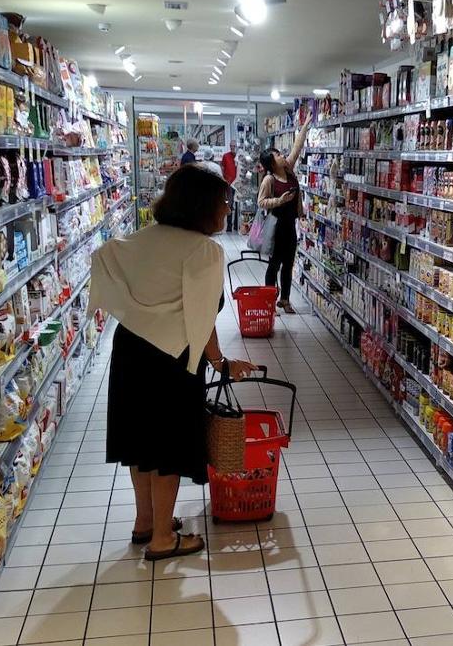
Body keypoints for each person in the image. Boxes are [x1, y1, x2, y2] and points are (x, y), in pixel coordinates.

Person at [89, 163, 257, 560]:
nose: (226, 209)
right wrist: (219, 362)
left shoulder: (138, 239)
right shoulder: (204, 251)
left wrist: (134, 310)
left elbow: (103, 259)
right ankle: (163, 538)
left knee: (139, 440)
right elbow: (202, 317)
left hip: (130, 350)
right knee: (167, 448)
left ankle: (145, 521)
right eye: (223, 202)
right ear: (202, 206)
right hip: (173, 359)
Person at [257, 127, 307, 312]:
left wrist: (305, 126)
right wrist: (280, 200)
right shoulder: (269, 180)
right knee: (274, 264)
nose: (282, 156)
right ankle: (269, 301)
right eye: (277, 155)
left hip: (290, 225)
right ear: (272, 162)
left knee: (288, 264)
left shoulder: (289, 169)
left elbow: (297, 147)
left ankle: (285, 300)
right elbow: (261, 202)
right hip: (276, 226)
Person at [220, 142, 238, 232]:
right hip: (229, 184)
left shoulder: (240, 157)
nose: (232, 147)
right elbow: (222, 168)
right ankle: (229, 226)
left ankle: (236, 225)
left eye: (234, 146)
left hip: (238, 184)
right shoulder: (226, 156)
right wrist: (225, 179)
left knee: (237, 204)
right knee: (229, 204)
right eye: (231, 146)